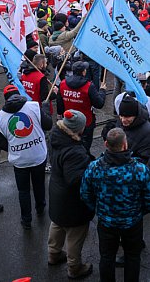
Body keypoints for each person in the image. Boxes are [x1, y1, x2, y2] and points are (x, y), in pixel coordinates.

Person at [81, 128, 150, 282]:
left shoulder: (94, 168)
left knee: (106, 257)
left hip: (106, 222)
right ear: (125, 145)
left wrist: (98, 209)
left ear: (106, 144)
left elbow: (85, 194)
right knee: (133, 257)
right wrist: (138, 212)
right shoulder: (140, 169)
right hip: (132, 223)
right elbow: (148, 198)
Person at [0, 85, 52, 229]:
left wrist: (11, 148)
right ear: (19, 95)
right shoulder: (33, 106)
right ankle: (40, 208)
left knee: (23, 190)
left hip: (19, 160)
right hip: (38, 156)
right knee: (39, 184)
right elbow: (48, 125)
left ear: (5, 99)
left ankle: (26, 220)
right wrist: (44, 108)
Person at [48, 110, 94, 279]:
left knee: (58, 223)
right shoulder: (74, 151)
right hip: (72, 201)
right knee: (75, 233)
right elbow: (75, 179)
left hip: (57, 193)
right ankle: (74, 267)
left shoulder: (56, 136)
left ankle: (53, 254)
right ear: (78, 129)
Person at [57, 61, 106, 151]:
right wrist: (102, 91)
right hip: (86, 123)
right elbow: (99, 104)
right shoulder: (88, 86)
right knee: (85, 146)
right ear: (84, 72)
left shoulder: (63, 83)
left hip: (68, 121)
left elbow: (59, 104)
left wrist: (60, 114)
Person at [102, 94, 150, 164]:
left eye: (127, 117)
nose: (123, 120)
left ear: (136, 115)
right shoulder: (121, 122)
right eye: (121, 115)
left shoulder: (147, 131)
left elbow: (145, 158)